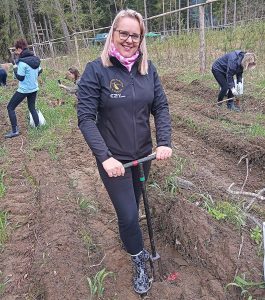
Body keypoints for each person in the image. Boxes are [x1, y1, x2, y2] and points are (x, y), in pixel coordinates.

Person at [77, 9, 172, 295]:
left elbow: (161, 107)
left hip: (143, 155)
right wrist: (105, 157)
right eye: (125, 34)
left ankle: (130, 239)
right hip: (115, 160)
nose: (130, 40)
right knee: (129, 215)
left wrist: (164, 141)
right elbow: (85, 118)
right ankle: (139, 259)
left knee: (135, 204)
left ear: (142, 38)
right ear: (113, 34)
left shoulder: (147, 68)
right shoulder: (97, 71)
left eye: (136, 35)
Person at [5, 39, 42, 138]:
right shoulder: (35, 59)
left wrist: (15, 67)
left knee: (10, 107)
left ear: (20, 49)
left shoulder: (22, 62)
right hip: (34, 88)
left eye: (16, 50)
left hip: (24, 89)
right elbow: (40, 71)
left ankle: (14, 131)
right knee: (32, 108)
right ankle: (38, 127)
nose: (16, 53)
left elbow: (20, 77)